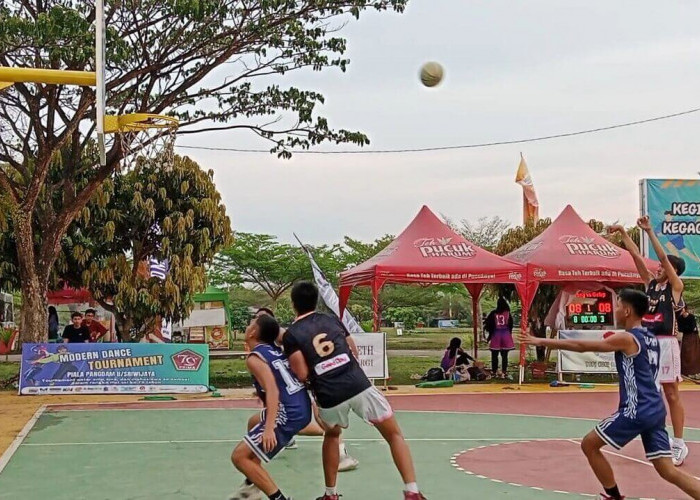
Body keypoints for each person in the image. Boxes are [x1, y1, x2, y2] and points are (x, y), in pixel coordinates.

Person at [520, 289, 700, 500]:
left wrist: (541, 341)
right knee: (667, 470)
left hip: (637, 410)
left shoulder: (628, 338)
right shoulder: (650, 338)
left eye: (617, 305)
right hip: (655, 409)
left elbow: (581, 345)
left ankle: (613, 496)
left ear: (627, 310)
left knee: (589, 444)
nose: (614, 310)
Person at [283, 281, 426, 500]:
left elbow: (302, 374)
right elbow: (353, 351)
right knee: (394, 434)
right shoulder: (331, 320)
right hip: (357, 383)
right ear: (316, 301)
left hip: (328, 393)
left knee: (332, 434)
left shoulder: (292, 334)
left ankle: (330, 494)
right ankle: (412, 491)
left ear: (294, 304)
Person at [609, 217, 688, 465]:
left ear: (671, 270)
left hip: (667, 343)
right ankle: (658, 439)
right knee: (652, 393)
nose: (658, 268)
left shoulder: (675, 287)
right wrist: (623, 232)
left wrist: (650, 231)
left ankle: (679, 443)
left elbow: (663, 258)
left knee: (671, 393)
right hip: (649, 342)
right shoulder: (651, 285)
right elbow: (636, 258)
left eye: (663, 267)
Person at [252, 307, 359, 472]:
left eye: (262, 319)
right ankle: (260, 459)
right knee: (257, 420)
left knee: (323, 418)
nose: (257, 322)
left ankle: (340, 453)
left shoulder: (283, 336)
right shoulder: (261, 347)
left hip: (303, 383)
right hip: (288, 389)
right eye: (256, 318)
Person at [229, 314, 312, 500]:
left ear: (252, 332)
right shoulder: (273, 349)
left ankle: (279, 498)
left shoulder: (255, 358)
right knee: (253, 422)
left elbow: (273, 390)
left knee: (239, 457)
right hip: (300, 405)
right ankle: (251, 485)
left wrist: (269, 429)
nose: (248, 325)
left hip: (288, 411)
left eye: (251, 323)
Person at [485, 297, 515, 379]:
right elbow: (510, 326)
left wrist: (489, 336)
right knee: (504, 355)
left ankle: (494, 372)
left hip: (496, 335)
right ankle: (504, 372)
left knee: (494, 355)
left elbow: (489, 325)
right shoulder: (508, 313)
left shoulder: (493, 313)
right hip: (505, 335)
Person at [678, 306, 700, 379]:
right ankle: (685, 372)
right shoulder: (680, 318)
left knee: (693, 354)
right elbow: (680, 328)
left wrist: (686, 329)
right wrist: (687, 329)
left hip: (693, 336)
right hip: (686, 336)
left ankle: (694, 372)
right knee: (685, 354)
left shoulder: (691, 317)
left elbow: (692, 327)